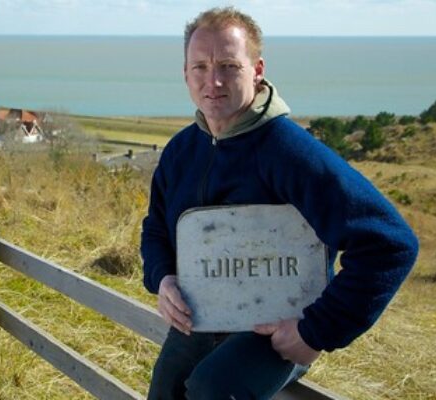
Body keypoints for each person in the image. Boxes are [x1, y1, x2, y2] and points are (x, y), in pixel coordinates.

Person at [140, 6, 419, 400]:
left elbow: (391, 244)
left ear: (256, 70)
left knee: (212, 390)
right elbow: (155, 226)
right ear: (185, 73)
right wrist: (163, 276)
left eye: (229, 66)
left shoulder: (288, 151)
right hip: (201, 317)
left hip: (275, 329)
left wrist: (315, 331)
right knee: (164, 391)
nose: (212, 81)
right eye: (200, 66)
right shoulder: (181, 151)